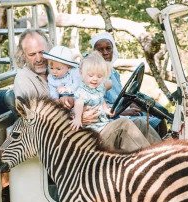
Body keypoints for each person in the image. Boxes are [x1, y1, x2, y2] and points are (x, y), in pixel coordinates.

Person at [13, 29, 158, 152]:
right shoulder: (24, 80)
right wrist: (76, 116)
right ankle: (152, 171)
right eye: (32, 54)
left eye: (42, 52)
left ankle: (171, 156)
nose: (39, 59)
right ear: (23, 55)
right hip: (69, 140)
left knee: (139, 122)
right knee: (124, 126)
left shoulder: (62, 71)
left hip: (91, 126)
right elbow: (36, 122)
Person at [90, 32, 167, 137]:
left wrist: (131, 103)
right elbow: (95, 103)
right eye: (100, 50)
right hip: (112, 116)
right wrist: (122, 111)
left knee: (159, 115)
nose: (105, 52)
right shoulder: (92, 74)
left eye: (108, 48)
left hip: (122, 109)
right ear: (94, 52)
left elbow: (121, 95)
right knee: (155, 122)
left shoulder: (113, 72)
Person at [70, 51, 113, 132]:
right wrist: (78, 118)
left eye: (99, 76)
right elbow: (78, 104)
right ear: (81, 73)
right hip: (92, 126)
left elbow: (101, 99)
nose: (95, 79)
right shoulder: (82, 91)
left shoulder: (99, 88)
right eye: (90, 75)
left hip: (103, 122)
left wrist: (106, 110)